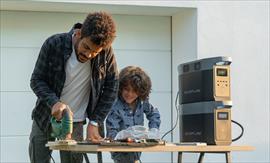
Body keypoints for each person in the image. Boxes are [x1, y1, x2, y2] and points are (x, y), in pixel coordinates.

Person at [29, 11, 119, 163]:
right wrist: (54, 102)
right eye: (86, 47)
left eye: (95, 52)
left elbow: (112, 87)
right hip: (44, 117)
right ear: (79, 33)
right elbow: (36, 80)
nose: (89, 55)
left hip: (75, 122)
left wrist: (95, 121)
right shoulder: (54, 44)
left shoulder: (106, 53)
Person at [106, 66, 161, 163]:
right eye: (126, 89)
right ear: (120, 87)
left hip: (137, 150)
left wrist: (154, 129)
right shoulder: (116, 106)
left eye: (134, 91)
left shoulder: (143, 102)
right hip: (120, 152)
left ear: (141, 91)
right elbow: (111, 132)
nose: (130, 94)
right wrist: (122, 136)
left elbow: (154, 114)